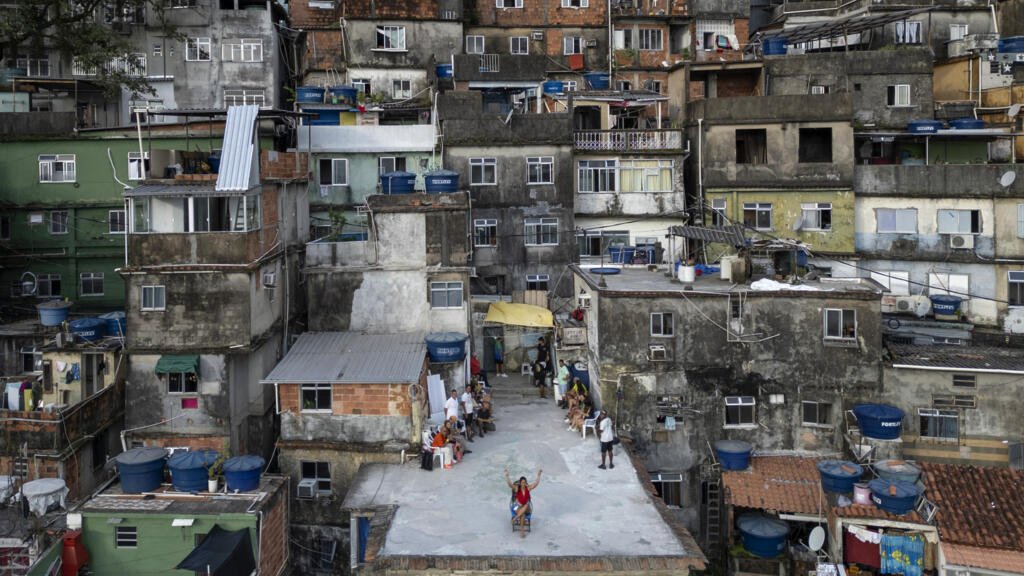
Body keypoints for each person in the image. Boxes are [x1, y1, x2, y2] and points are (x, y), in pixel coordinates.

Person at [504, 468, 542, 538]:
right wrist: (507, 476)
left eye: (524, 482)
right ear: (520, 483)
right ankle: (522, 531)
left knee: (526, 504)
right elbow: (510, 485)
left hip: (527, 508)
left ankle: (515, 518)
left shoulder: (528, 488)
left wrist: (539, 475)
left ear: (526, 483)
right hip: (517, 507)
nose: (523, 484)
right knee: (523, 515)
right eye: (522, 482)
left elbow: (536, 484)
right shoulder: (517, 488)